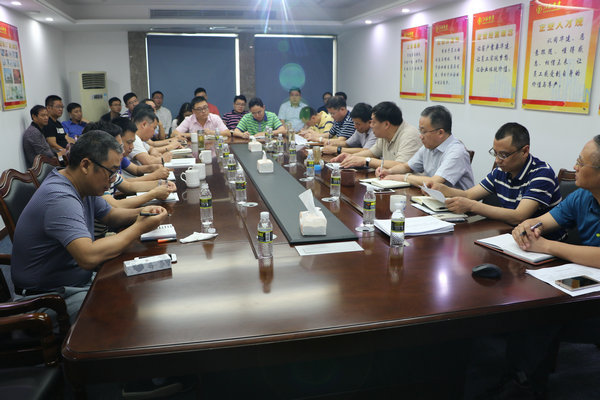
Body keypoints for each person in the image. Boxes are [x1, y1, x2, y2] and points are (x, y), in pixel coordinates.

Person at [11, 130, 167, 322]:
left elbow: (111, 215)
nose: (113, 180)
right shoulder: (60, 197)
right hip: (46, 298)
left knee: (139, 289)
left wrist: (143, 213)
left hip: (75, 281)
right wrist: (140, 227)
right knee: (127, 311)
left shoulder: (82, 185)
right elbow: (88, 256)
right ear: (85, 165)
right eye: (110, 172)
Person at [427, 123, 562, 226]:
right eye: (495, 153)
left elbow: (519, 216)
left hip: (544, 245)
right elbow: (469, 195)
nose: (497, 160)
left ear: (525, 151)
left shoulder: (542, 174)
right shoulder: (501, 171)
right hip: (509, 235)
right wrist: (443, 189)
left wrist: (472, 206)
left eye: (503, 155)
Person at [377, 105, 474, 190]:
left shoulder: (457, 152)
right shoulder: (428, 146)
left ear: (440, 133)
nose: (421, 136)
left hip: (457, 203)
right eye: (420, 131)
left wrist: (403, 178)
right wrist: (389, 171)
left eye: (424, 132)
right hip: (433, 198)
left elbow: (434, 182)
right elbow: (407, 167)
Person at [331, 101, 420, 170]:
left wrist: (366, 161)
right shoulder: (384, 134)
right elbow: (372, 153)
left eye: (373, 122)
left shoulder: (409, 135)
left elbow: (401, 166)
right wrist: (351, 157)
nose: (371, 125)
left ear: (386, 124)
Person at [111, 117, 169, 181]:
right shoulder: (109, 162)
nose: (132, 147)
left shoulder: (121, 157)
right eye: (129, 142)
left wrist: (154, 167)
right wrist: (155, 176)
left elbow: (136, 170)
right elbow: (125, 184)